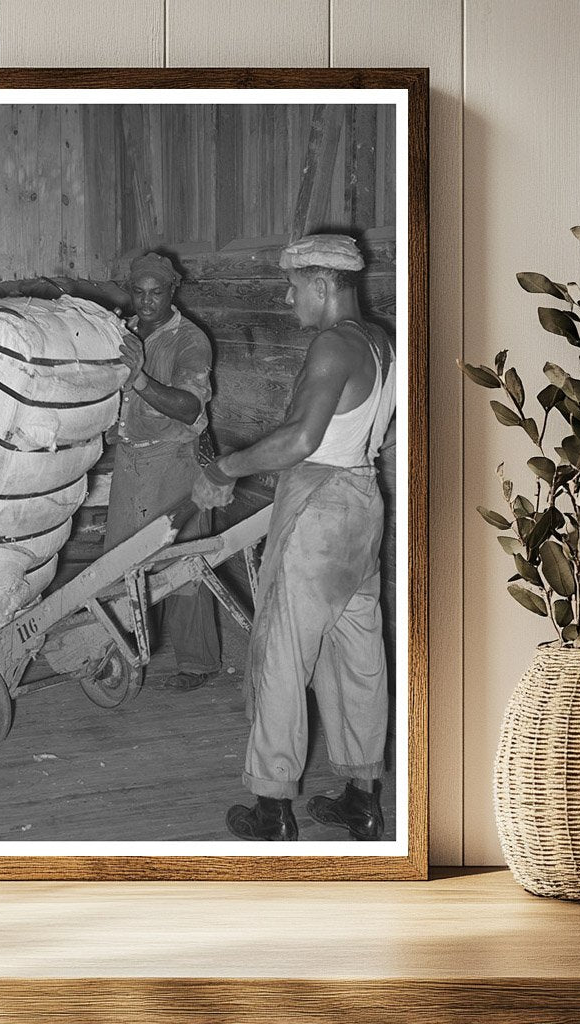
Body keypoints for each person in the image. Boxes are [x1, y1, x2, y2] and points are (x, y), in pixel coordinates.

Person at [192, 234, 396, 841]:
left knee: (283, 653)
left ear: (323, 285)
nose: (288, 298)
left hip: (321, 509)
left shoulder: (333, 345)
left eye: (294, 286)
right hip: (363, 503)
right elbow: (368, 436)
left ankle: (273, 806)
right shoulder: (379, 341)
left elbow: (302, 440)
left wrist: (221, 469)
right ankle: (363, 798)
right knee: (358, 655)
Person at [104, 252, 220, 691]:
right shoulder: (126, 332)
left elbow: (190, 406)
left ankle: (197, 662)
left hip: (176, 459)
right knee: (117, 560)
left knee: (182, 564)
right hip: (132, 459)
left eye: (156, 292)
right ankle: (121, 648)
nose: (147, 301)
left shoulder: (191, 339)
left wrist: (140, 381)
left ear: (174, 290)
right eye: (138, 292)